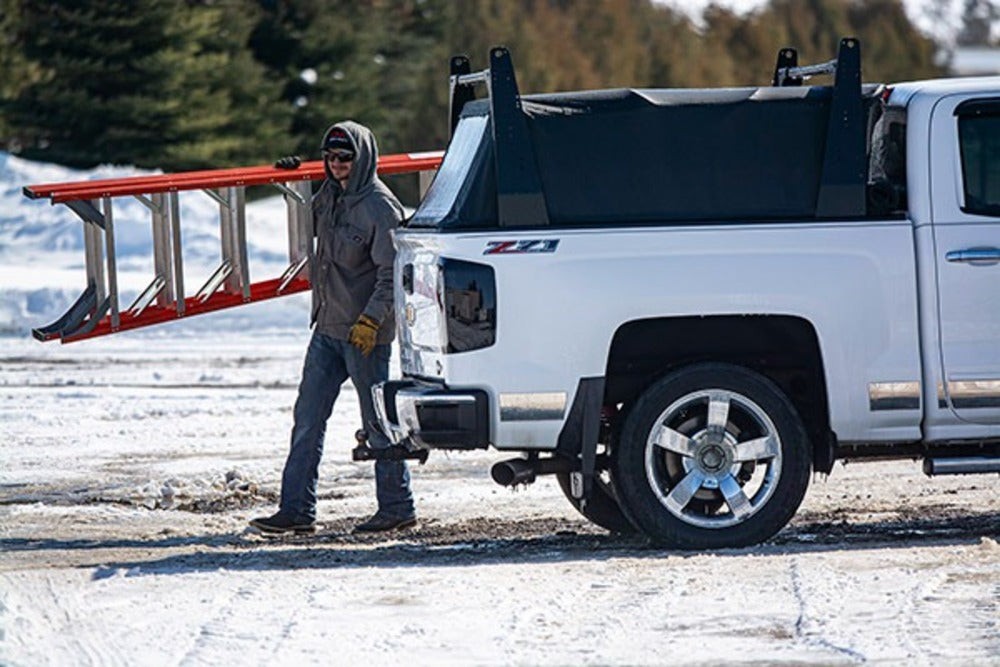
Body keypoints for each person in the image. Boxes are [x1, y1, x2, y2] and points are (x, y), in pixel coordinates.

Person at [250, 121, 416, 535]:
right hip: (327, 329)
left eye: (344, 158)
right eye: (329, 157)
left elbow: (392, 273)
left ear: (362, 159)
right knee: (307, 417)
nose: (336, 164)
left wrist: (371, 320)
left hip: (364, 335)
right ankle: (296, 511)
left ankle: (397, 507)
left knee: (378, 423)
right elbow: (306, 227)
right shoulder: (329, 196)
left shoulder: (380, 206)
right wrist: (292, 178)